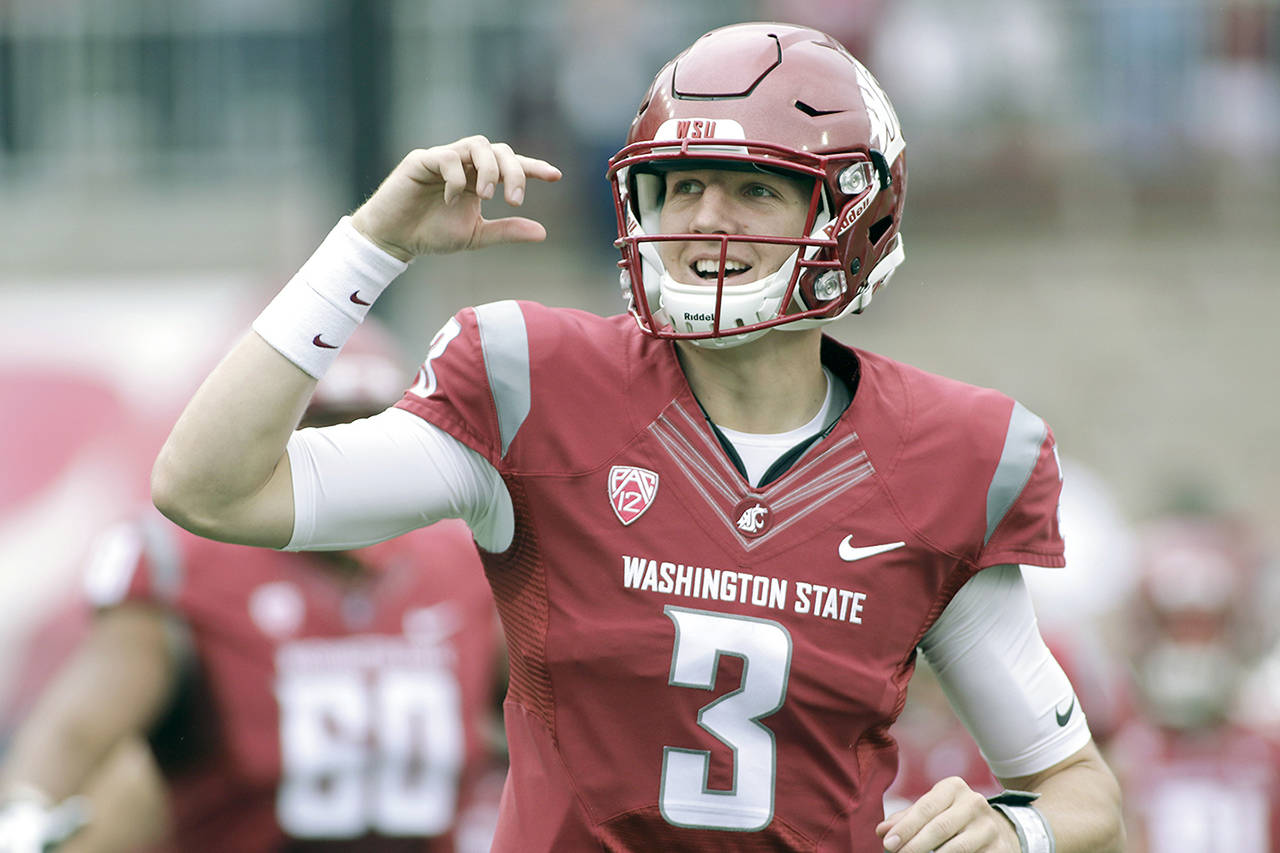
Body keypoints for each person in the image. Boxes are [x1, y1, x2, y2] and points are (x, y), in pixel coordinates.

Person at [150, 21, 1124, 853]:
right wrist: (371, 243)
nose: (705, 221)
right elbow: (211, 487)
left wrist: (1015, 829)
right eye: (681, 183)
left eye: (752, 190)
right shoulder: (534, 385)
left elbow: (1079, 790)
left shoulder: (947, 456)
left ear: (851, 214)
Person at [0, 329, 504, 853]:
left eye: (366, 429)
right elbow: (78, 731)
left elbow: (561, 718)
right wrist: (23, 811)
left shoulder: (461, 565)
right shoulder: (184, 566)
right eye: (320, 430)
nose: (345, 455)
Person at [1107, 513, 1280, 852]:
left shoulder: (1267, 750)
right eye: (1176, 627)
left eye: (1207, 627)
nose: (1192, 645)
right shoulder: (1121, 749)